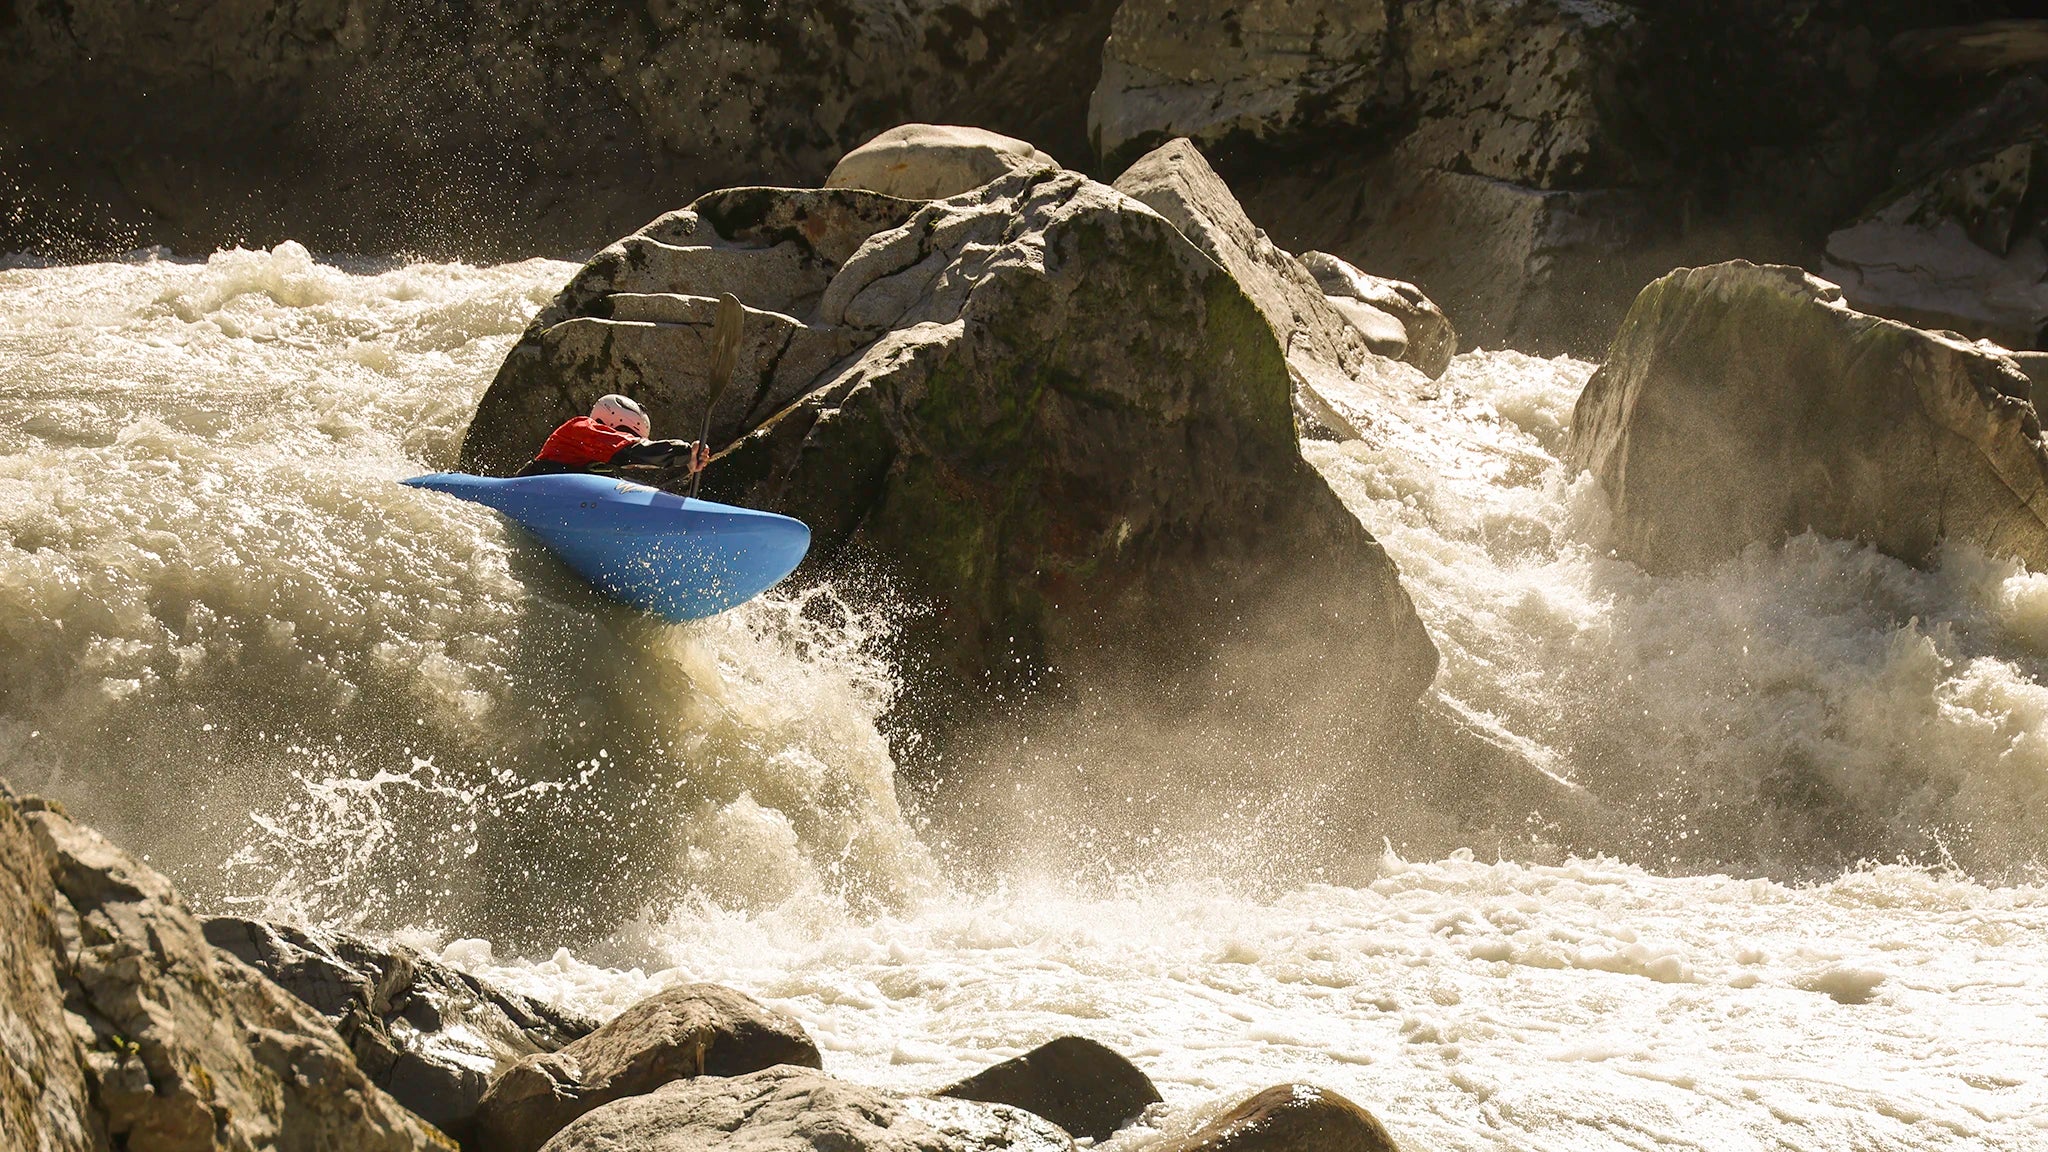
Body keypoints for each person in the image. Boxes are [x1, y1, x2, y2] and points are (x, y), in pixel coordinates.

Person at [516, 394, 711, 477]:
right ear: (610, 422)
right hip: (531, 488)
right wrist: (685, 452)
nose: (630, 440)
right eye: (629, 435)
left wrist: (687, 466)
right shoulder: (582, 428)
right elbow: (632, 452)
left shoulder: (601, 463)